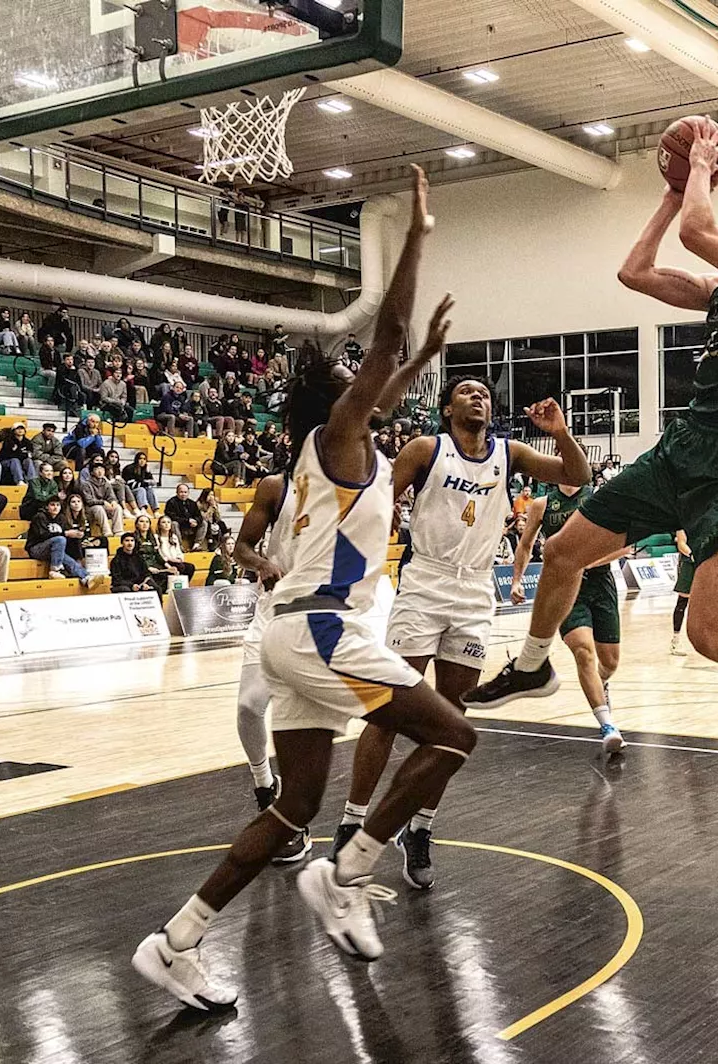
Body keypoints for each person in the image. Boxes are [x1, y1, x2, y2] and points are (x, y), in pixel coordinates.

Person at [132, 166, 475, 1009]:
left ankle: (176, 942)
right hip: (322, 631)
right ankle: (350, 872)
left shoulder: (334, 450)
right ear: (343, 400)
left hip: (290, 637)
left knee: (294, 807)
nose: (380, 393)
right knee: (454, 737)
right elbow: (384, 345)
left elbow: (390, 375)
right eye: (366, 387)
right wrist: (415, 242)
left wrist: (426, 356)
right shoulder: (340, 438)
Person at [464, 124, 718, 747]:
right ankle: (532, 665)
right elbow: (634, 272)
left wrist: (699, 166)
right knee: (561, 552)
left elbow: (699, 234)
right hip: (679, 449)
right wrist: (670, 192)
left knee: (709, 637)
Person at [329, 374, 591, 890]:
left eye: (486, 393)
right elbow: (376, 503)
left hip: (474, 591)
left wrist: (559, 432)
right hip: (424, 582)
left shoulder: (510, 453)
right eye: (468, 391)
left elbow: (577, 474)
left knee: (453, 718)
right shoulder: (428, 448)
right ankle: (352, 821)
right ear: (448, 407)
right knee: (386, 708)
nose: (480, 397)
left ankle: (420, 829)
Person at [228, 470, 310, 861]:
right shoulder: (275, 486)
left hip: (319, 616)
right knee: (248, 706)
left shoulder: (352, 482)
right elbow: (240, 547)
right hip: (273, 612)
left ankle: (293, 820)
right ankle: (265, 787)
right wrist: (260, 563)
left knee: (297, 723)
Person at [512, 483, 628, 754]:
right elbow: (526, 544)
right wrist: (517, 580)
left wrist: (585, 562)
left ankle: (602, 683)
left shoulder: (600, 496)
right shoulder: (541, 505)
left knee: (610, 661)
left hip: (600, 584)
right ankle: (608, 726)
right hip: (563, 586)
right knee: (583, 651)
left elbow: (625, 545)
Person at [26, 497, 93, 584]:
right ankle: (55, 570)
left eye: (58, 505)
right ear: (47, 507)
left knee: (67, 558)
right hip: (36, 548)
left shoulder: (61, 518)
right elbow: (42, 536)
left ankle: (86, 578)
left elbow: (67, 536)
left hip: (54, 550)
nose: (55, 507)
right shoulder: (39, 517)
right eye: (52, 505)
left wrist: (76, 536)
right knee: (60, 539)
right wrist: (65, 534)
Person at [670, 529, 694, 656]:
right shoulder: (683, 523)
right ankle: (676, 640)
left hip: (704, 561)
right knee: (683, 600)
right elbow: (681, 544)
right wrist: (692, 554)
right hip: (689, 562)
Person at [163, 481, 205, 551]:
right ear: (177, 492)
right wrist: (187, 521)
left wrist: (196, 521)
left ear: (188, 493)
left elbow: (199, 516)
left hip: (191, 527)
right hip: (180, 527)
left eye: (185, 492)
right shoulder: (171, 502)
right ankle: (179, 546)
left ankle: (196, 545)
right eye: (181, 492)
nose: (183, 494)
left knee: (204, 523)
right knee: (174, 523)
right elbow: (171, 516)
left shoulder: (192, 503)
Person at [155, 515, 195, 580]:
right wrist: (169, 559)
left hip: (175, 560)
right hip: (165, 561)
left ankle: (184, 585)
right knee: (180, 567)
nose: (166, 524)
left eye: (168, 522)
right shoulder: (156, 537)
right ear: (159, 525)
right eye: (163, 522)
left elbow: (178, 551)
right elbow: (158, 553)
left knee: (190, 567)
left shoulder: (174, 537)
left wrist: (179, 559)